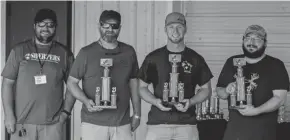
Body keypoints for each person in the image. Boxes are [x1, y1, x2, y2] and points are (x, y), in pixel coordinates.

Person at [1, 8, 76, 140]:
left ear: (55, 28)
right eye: (41, 24)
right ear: (34, 26)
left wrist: (65, 113)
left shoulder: (65, 54)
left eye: (50, 25)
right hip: (22, 122)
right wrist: (9, 115)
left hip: (53, 125)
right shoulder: (19, 50)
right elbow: (7, 83)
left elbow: (73, 85)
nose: (45, 28)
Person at [66, 10, 141, 140]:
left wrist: (137, 114)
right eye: (105, 25)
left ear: (120, 28)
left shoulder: (129, 52)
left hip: (121, 123)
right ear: (99, 26)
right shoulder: (86, 53)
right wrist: (85, 101)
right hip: (93, 123)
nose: (110, 29)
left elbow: (134, 84)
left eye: (114, 26)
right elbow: (71, 82)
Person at [138, 12, 213, 140]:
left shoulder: (195, 59)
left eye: (179, 26)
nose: (175, 31)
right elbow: (141, 88)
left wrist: (191, 102)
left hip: (187, 125)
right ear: (165, 29)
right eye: (171, 27)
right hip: (158, 124)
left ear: (185, 29)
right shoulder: (153, 58)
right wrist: (155, 102)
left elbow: (206, 89)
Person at [216, 25, 289, 140]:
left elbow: (279, 98)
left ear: (265, 43)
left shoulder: (276, 65)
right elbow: (220, 92)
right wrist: (226, 90)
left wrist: (256, 111)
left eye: (257, 39)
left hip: (263, 134)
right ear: (243, 39)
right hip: (234, 133)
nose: (251, 42)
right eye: (248, 38)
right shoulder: (232, 62)